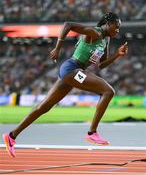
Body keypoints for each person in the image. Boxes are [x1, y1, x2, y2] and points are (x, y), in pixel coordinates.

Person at [3, 12, 128, 157]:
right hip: (71, 69)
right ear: (107, 23)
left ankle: (11, 136)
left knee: (44, 107)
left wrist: (117, 54)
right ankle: (92, 132)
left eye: (119, 28)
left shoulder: (105, 40)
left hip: (74, 72)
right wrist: (57, 48)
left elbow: (101, 65)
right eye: (116, 26)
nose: (117, 30)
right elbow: (68, 25)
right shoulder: (94, 32)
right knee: (108, 91)